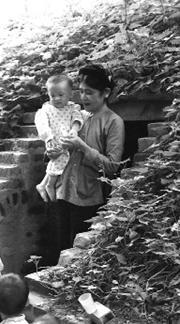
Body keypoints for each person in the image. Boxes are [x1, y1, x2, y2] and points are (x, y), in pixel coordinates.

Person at [50, 65, 125, 261]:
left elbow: (112, 166)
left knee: (78, 255)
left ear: (106, 93)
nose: (83, 97)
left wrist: (82, 146)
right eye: (81, 91)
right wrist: (52, 152)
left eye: (89, 92)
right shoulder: (78, 116)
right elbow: (61, 151)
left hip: (88, 198)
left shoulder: (113, 122)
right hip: (63, 191)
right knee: (59, 246)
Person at [35, 75, 85, 202]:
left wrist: (74, 129)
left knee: (61, 161)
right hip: (54, 139)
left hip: (67, 138)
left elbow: (77, 118)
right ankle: (49, 185)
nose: (57, 99)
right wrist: (48, 137)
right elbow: (42, 124)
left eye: (61, 95)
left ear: (70, 94)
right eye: (53, 95)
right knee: (59, 159)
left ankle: (43, 184)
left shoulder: (72, 107)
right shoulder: (47, 109)